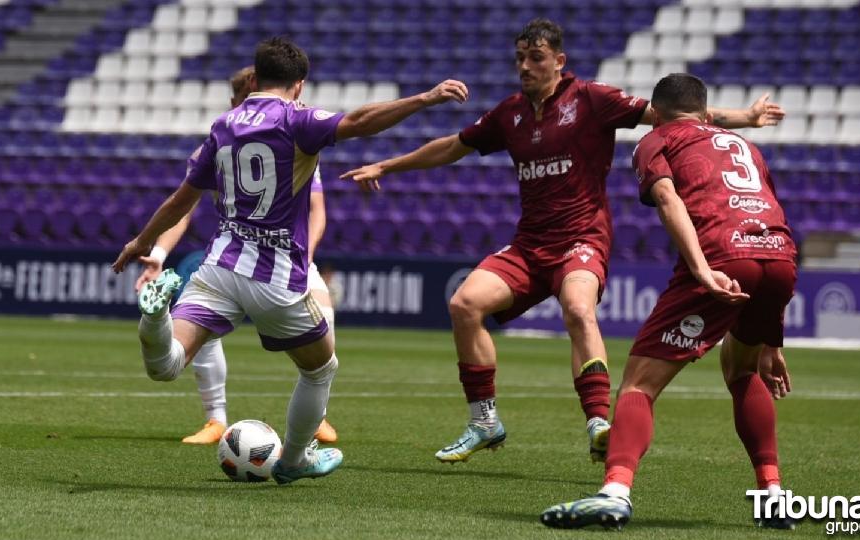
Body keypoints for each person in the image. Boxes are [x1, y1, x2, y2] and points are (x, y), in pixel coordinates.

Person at [341, 19, 785, 465]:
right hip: (530, 244)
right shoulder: (509, 113)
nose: (525, 67)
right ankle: (484, 421)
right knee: (464, 304)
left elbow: (669, 116)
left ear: (559, 61)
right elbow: (452, 146)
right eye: (520, 58)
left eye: (535, 58)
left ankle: (598, 424)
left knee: (577, 308)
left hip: (582, 239)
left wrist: (744, 119)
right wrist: (385, 167)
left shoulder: (592, 100)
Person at [112, 36, 469, 484]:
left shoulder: (222, 126)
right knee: (321, 368)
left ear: (255, 77)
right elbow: (359, 121)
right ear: (299, 85)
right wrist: (426, 97)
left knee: (166, 366)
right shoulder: (297, 120)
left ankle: (153, 318)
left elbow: (181, 199)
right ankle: (295, 459)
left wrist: (141, 242)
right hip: (275, 275)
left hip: (219, 266)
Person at [540, 73, 797, 529]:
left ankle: (615, 491)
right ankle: (773, 495)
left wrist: (700, 267)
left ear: (655, 114)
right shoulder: (744, 145)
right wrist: (771, 337)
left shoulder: (655, 139)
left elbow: (667, 197)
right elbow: (768, 207)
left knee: (639, 384)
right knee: (742, 368)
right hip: (778, 255)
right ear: (706, 112)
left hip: (721, 254)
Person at [136, 66, 338, 446]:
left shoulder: (287, 143)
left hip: (279, 257)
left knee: (323, 315)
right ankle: (217, 419)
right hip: (242, 257)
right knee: (314, 361)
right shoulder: (239, 140)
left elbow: (317, 211)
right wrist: (161, 251)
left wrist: (305, 257)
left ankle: (318, 415)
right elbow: (187, 208)